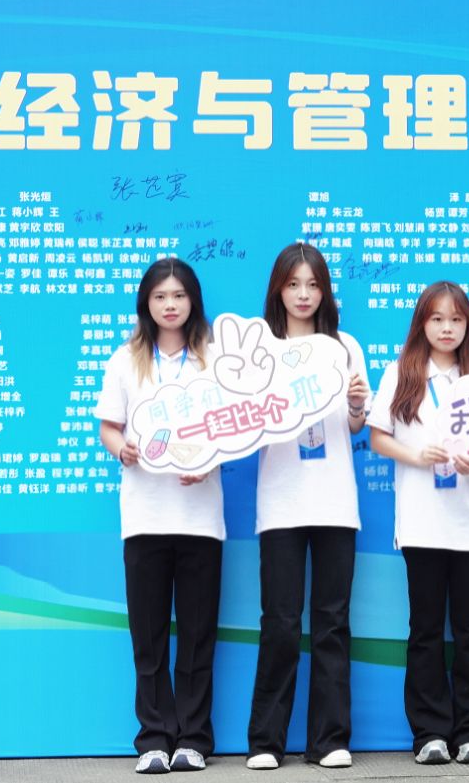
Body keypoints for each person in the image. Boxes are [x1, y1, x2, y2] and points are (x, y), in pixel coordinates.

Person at [95, 257, 224, 775]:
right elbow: (109, 427)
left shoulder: (215, 359)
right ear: (145, 304)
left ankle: (193, 739)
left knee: (197, 636)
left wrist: (210, 461)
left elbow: (233, 429)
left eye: (179, 295)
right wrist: (121, 449)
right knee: (148, 638)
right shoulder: (125, 360)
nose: (170, 305)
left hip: (200, 520)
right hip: (145, 518)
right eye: (160, 296)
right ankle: (152, 738)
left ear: (193, 301)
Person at [245, 243, 370, 771]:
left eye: (313, 285)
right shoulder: (259, 349)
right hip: (281, 503)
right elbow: (242, 423)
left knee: (331, 621)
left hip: (335, 501)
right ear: (278, 289)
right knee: (279, 620)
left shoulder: (344, 346)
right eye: (293, 284)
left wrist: (358, 403)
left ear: (325, 291)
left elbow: (357, 424)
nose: (303, 294)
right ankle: (266, 742)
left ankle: (330, 740)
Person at [367, 281, 469, 765]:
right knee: (424, 629)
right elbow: (378, 437)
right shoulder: (402, 372)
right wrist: (418, 456)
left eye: (456, 319)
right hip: (421, 522)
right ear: (422, 322)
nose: (447, 328)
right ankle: (430, 734)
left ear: (468, 326)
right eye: (437, 318)